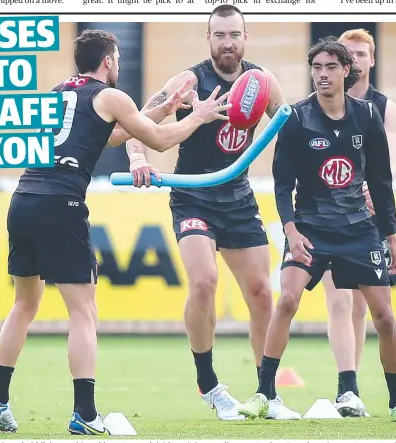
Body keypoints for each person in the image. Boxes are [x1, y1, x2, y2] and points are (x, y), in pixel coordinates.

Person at [0, 29, 231, 435]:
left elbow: (109, 134)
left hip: (23, 199)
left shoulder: (59, 91)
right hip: (61, 204)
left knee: (24, 304)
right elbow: (162, 143)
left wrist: (164, 108)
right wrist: (198, 116)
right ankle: (84, 412)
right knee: (83, 311)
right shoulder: (111, 95)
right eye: (116, 59)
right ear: (110, 61)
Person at [126, 5, 300, 421]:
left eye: (234, 34)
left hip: (237, 196)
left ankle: (267, 393)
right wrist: (137, 159)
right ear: (209, 38)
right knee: (204, 282)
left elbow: (291, 130)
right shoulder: (188, 81)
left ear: (245, 37)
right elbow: (134, 123)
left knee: (261, 294)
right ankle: (209, 385)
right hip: (193, 195)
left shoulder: (262, 81)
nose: (227, 42)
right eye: (219, 35)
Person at [238, 37, 396, 423]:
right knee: (286, 299)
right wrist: (290, 230)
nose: (322, 74)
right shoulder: (296, 118)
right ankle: (263, 393)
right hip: (310, 228)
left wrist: (390, 236)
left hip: (358, 230)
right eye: (316, 68)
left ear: (345, 71)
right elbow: (282, 182)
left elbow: (381, 182)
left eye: (330, 67)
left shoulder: (368, 115)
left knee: (385, 318)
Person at [318, 29, 396, 415]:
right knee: (338, 301)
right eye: (345, 54)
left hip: (364, 218)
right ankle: (346, 387)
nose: (352, 61)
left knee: (364, 309)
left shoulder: (384, 109)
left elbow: (389, 163)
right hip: (327, 216)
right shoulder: (317, 106)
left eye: (359, 54)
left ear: (369, 61)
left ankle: (353, 387)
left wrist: (374, 199)